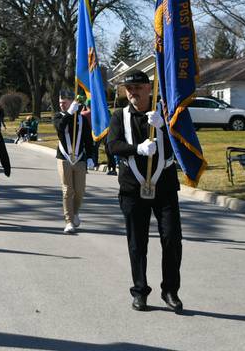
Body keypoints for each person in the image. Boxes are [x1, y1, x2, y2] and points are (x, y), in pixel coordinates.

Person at [107, 70, 183, 314]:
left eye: (138, 88)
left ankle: (170, 290)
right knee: (137, 243)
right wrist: (136, 149)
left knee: (171, 239)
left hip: (165, 187)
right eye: (129, 89)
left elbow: (183, 144)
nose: (133, 93)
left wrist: (163, 129)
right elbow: (112, 145)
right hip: (132, 188)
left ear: (149, 88)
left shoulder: (167, 112)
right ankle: (140, 291)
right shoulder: (120, 116)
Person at [54, 91, 96, 233]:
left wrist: (90, 156)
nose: (61, 104)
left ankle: (75, 212)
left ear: (72, 102)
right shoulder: (58, 117)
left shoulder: (82, 119)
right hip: (64, 158)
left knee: (80, 190)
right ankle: (69, 221)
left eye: (64, 102)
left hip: (79, 158)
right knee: (67, 190)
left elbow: (87, 139)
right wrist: (68, 114)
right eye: (60, 102)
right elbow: (60, 128)